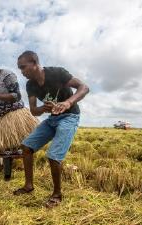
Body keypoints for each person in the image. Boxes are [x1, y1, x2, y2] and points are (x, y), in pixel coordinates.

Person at [14, 50, 89, 208]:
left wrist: (68, 103)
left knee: (54, 155)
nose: (22, 72)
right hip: (52, 119)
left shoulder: (57, 73)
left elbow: (84, 87)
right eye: (19, 69)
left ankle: (57, 194)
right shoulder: (30, 85)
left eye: (23, 67)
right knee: (26, 147)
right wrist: (44, 108)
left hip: (69, 117)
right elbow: (34, 110)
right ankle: (28, 186)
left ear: (35, 63)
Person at [0, 56, 38, 180]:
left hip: (12, 115)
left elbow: (16, 96)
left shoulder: (7, 75)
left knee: (8, 146)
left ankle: (8, 176)